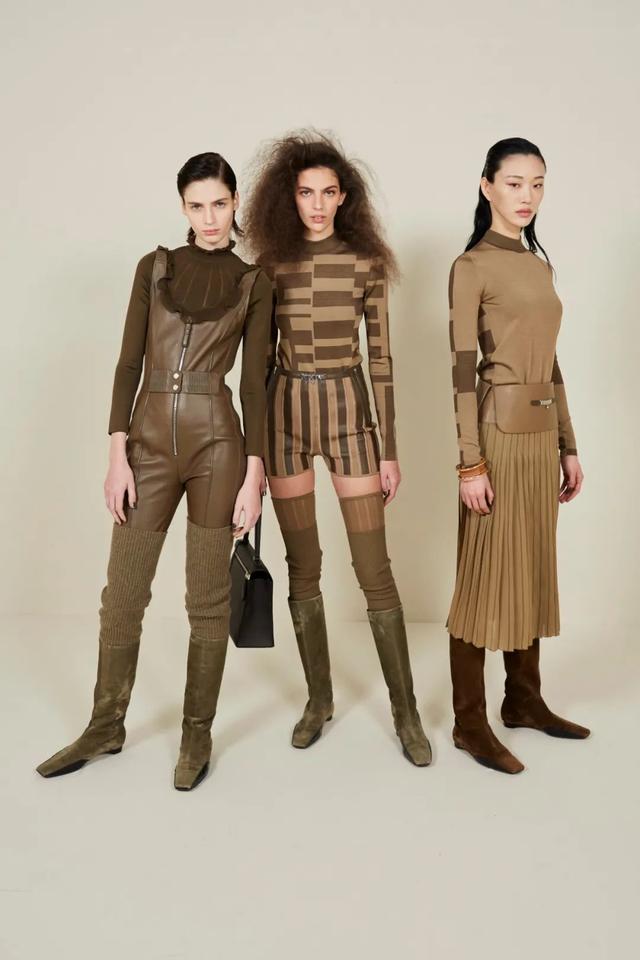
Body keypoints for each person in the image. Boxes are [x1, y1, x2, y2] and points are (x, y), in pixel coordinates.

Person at [36, 152, 272, 790]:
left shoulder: (254, 282)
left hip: (218, 446)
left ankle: (197, 735)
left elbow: (255, 385)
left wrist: (255, 475)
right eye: (197, 205)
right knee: (123, 593)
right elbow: (127, 364)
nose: (210, 217)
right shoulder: (155, 266)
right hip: (146, 446)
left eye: (219, 203)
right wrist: (117, 454)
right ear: (182, 208)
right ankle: (104, 726)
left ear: (235, 203)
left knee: (208, 598)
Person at [243, 132, 431, 766]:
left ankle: (406, 714)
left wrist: (389, 450)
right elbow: (256, 365)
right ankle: (318, 700)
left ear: (344, 197)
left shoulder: (366, 262)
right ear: (288, 198)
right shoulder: (271, 265)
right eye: (306, 193)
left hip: (351, 421)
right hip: (286, 422)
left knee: (374, 570)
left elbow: (382, 361)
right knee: (303, 567)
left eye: (328, 193)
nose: (317, 205)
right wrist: (255, 457)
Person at [446, 137, 590, 774]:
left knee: (530, 567)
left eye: (537, 183)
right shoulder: (471, 265)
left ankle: (523, 700)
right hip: (497, 436)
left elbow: (552, 363)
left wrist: (569, 444)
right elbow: (460, 370)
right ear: (487, 187)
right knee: (483, 578)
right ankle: (468, 722)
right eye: (513, 183)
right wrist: (470, 463)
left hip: (540, 436)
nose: (527, 195)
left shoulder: (539, 264)